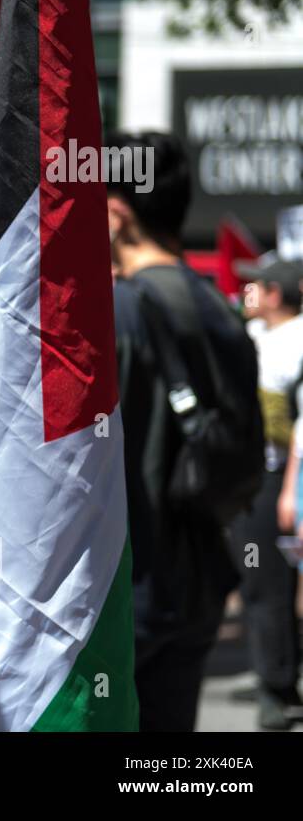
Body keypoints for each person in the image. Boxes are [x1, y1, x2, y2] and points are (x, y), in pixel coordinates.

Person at [106, 130, 264, 732]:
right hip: (198, 582)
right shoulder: (222, 310)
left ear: (118, 213)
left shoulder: (117, 312)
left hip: (128, 588)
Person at [234, 252, 303, 729]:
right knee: (260, 581)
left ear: (275, 294)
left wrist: (289, 492)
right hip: (251, 478)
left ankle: (275, 687)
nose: (245, 292)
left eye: (254, 286)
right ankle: (279, 677)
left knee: (269, 585)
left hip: (279, 478)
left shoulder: (298, 341)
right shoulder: (253, 334)